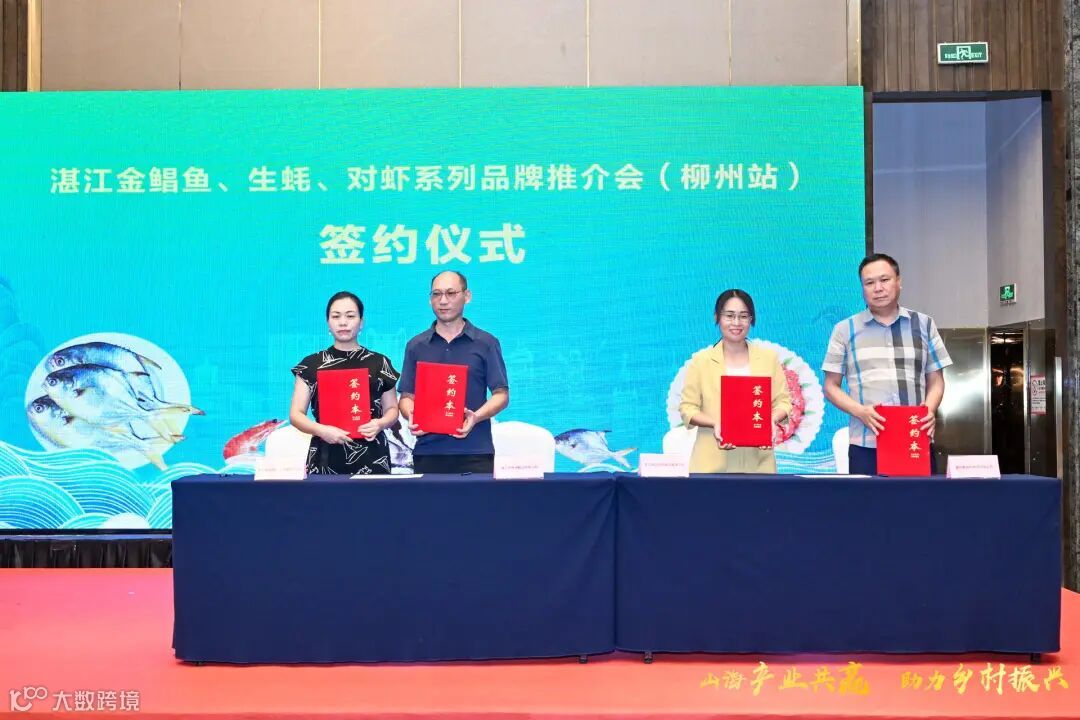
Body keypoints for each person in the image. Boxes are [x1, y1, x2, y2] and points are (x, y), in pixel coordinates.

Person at [822, 253, 952, 474]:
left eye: (884, 280)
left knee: (920, 498)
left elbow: (936, 381)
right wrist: (860, 411)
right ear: (862, 288)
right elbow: (830, 386)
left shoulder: (924, 324)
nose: (878, 288)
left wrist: (928, 410)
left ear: (898, 281)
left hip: (914, 439)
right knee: (868, 498)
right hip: (866, 444)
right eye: (869, 283)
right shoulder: (844, 330)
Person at [398, 271, 509, 473]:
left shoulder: (486, 343)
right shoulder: (416, 346)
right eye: (436, 294)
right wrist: (411, 416)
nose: (443, 301)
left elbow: (501, 395)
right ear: (430, 299)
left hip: (475, 451)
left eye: (451, 293)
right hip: (428, 452)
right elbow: (406, 397)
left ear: (467, 296)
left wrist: (475, 417)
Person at [679, 289, 791, 473]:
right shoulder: (700, 361)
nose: (736, 323)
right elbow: (688, 408)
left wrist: (769, 421)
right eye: (729, 316)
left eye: (743, 316)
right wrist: (715, 423)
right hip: (711, 465)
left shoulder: (769, 359)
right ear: (717, 317)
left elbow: (783, 402)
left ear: (751, 319)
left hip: (759, 464)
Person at [289, 291, 400, 475]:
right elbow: (296, 414)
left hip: (372, 454)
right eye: (336, 316)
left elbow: (392, 409)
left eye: (350, 316)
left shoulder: (380, 363)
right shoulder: (311, 364)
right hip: (326, 454)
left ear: (361, 322)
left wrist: (380, 424)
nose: (343, 322)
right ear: (328, 323)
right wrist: (321, 430)